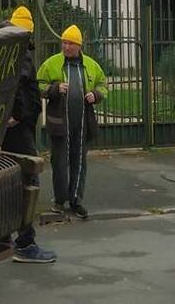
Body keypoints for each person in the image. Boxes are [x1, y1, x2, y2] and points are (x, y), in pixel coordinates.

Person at [0, 6, 58, 264]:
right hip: (18, 129)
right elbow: (18, 84)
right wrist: (18, 114)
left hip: (10, 127)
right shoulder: (17, 48)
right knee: (28, 181)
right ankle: (25, 242)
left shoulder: (1, 44)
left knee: (3, 180)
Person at [37, 25, 107, 220]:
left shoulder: (91, 65)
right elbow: (39, 84)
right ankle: (59, 201)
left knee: (79, 161)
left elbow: (103, 83)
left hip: (83, 123)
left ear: (78, 46)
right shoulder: (52, 63)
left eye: (70, 43)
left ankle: (76, 200)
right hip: (60, 123)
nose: (66, 47)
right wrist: (54, 88)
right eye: (64, 42)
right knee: (59, 162)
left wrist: (96, 94)